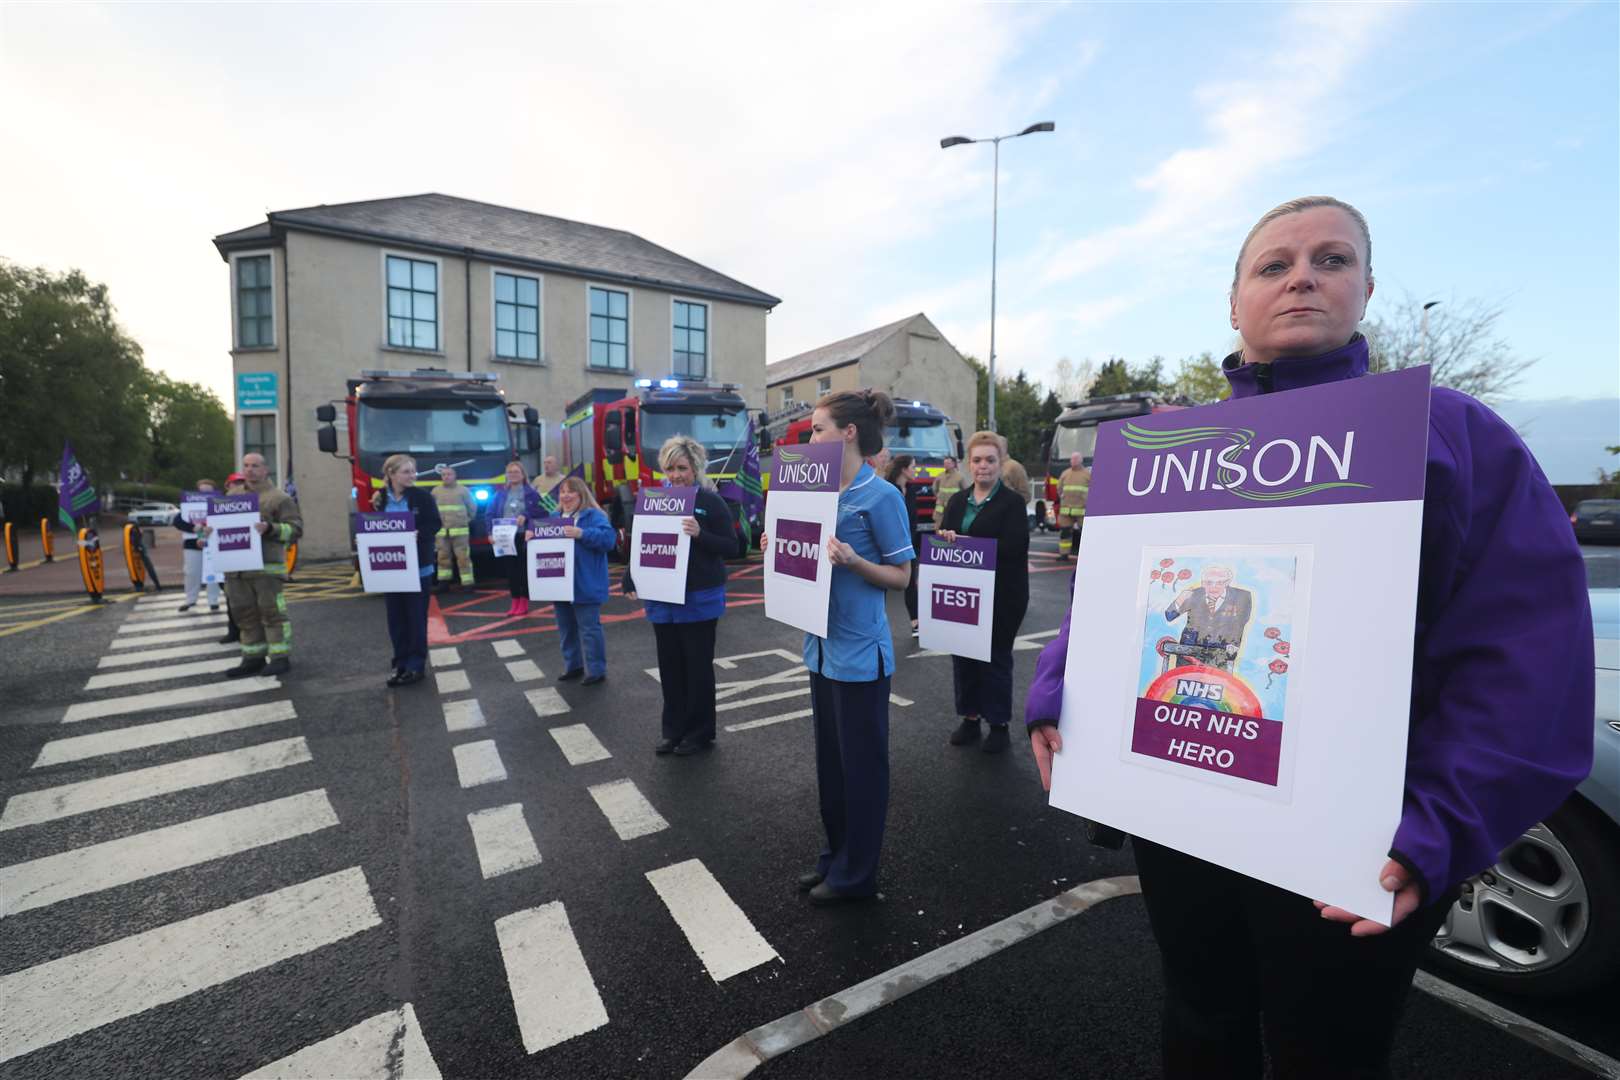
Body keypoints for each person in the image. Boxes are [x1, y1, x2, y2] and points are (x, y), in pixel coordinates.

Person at [1024, 196, 1594, 1078]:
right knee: (1200, 1017)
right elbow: (1112, 595)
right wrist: (1058, 690)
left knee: (1327, 1052)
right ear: (1233, 298)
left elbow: (1524, 656)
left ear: (1367, 289)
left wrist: (1443, 821)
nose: (1302, 277)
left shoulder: (1452, 434)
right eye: (1274, 264)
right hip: (1184, 803)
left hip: (1360, 831)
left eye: (1331, 260)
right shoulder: (1175, 442)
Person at [765, 390, 914, 905]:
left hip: (860, 657)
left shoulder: (882, 496)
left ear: (847, 433)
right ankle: (834, 858)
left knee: (863, 771)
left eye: (817, 428)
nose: (809, 439)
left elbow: (900, 576)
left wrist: (853, 561)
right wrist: (776, 545)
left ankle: (857, 875)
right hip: (819, 650)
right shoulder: (814, 490)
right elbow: (800, 556)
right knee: (831, 768)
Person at [622, 435, 733, 755]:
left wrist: (701, 534)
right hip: (662, 597)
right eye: (670, 468)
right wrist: (631, 577)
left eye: (682, 468)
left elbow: (732, 545)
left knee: (697, 670)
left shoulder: (711, 501)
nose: (675, 475)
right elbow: (641, 543)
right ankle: (673, 730)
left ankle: (700, 733)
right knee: (670, 669)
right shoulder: (654, 498)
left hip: (699, 598)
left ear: (695, 467)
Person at [937, 432, 1030, 753]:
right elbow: (943, 538)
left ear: (1000, 463)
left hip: (1003, 596)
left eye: (990, 460)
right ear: (969, 464)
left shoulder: (1013, 503)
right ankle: (971, 718)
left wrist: (965, 545)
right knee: (963, 657)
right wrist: (947, 537)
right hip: (963, 595)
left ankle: (999, 724)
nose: (983, 466)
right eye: (977, 460)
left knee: (995, 660)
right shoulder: (957, 501)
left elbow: (1014, 547)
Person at [213, 453, 302, 678]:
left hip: (266, 568)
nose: (250, 470)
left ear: (265, 470)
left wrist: (270, 528)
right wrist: (208, 533)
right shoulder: (232, 497)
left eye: (255, 466)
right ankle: (252, 658)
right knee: (244, 614)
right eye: (246, 466)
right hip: (236, 569)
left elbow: (295, 530)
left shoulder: (279, 498)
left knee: (272, 614)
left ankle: (280, 657)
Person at [372, 454, 441, 687]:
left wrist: (418, 534)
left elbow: (434, 524)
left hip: (418, 567)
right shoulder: (380, 498)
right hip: (390, 567)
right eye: (406, 472)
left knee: (415, 618)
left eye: (413, 471)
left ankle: (415, 665)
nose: (412, 476)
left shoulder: (422, 497)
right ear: (391, 474)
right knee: (396, 619)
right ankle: (399, 664)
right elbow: (374, 525)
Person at [552, 475, 616, 685]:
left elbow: (608, 540)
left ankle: (596, 670)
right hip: (560, 583)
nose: (566, 496)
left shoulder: (594, 515)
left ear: (581, 494)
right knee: (566, 628)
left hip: (585, 582)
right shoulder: (554, 516)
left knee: (589, 629)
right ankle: (573, 665)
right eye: (562, 491)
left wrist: (581, 533)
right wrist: (531, 538)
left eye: (571, 491)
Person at [1164, 563, 1253, 669]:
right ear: (1202, 583)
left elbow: (1241, 622)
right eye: (1209, 582)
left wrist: (1233, 646)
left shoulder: (1242, 597)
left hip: (1220, 654)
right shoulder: (1194, 594)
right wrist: (1180, 599)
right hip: (1188, 653)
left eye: (1219, 583)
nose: (1213, 587)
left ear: (1227, 583)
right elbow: (1169, 616)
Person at [489, 460, 546, 617]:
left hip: (524, 536)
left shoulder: (531, 493)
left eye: (516, 472)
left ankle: (524, 602)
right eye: (510, 472)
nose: (513, 475)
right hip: (505, 537)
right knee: (511, 571)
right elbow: (490, 514)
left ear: (522, 475)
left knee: (523, 571)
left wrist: (526, 516)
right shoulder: (500, 494)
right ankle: (514, 601)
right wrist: (489, 533)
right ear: (506, 475)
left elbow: (543, 512)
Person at [885, 454, 922, 635]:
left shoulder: (912, 489)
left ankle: (915, 621)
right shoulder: (888, 489)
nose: (915, 470)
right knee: (881, 584)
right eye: (913, 467)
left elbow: (912, 520)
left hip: (908, 545)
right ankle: (877, 623)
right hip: (889, 545)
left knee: (910, 583)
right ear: (904, 469)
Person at [431, 466, 477, 592]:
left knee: (463, 557)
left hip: (460, 531)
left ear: (454, 476)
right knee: (442, 557)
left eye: (449, 474)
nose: (446, 477)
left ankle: (468, 583)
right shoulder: (436, 491)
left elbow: (472, 508)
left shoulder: (463, 491)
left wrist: (465, 521)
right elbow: (432, 510)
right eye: (444, 475)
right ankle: (443, 583)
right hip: (442, 532)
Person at [215, 473, 246, 644]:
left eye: (242, 483)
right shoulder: (218, 504)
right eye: (236, 483)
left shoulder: (251, 502)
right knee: (231, 599)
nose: (239, 486)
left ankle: (246, 633)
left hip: (246, 559)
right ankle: (233, 631)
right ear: (227, 485)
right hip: (227, 560)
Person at [1054, 451, 1090, 560]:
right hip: (1066, 510)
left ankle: (1087, 554)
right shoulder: (1065, 473)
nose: (1073, 461)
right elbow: (1059, 488)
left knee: (1085, 534)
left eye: (1075, 459)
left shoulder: (1087, 474)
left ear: (1081, 460)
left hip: (1082, 510)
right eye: (1072, 459)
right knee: (1065, 534)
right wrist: (1062, 496)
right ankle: (1064, 554)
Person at [931, 455, 963, 530]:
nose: (946, 465)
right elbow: (934, 488)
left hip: (954, 506)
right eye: (945, 463)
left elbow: (965, 491)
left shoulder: (960, 477)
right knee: (938, 524)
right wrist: (939, 497)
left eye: (948, 463)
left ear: (954, 464)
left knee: (953, 524)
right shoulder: (940, 476)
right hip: (940, 506)